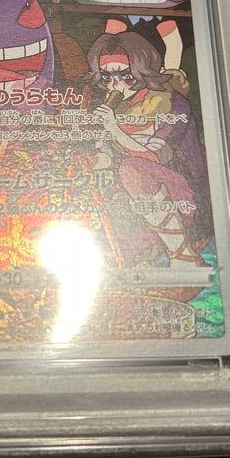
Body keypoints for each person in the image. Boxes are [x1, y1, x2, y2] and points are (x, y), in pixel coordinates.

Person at [87, 32, 213, 282]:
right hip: (139, 202)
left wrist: (114, 129)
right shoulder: (116, 108)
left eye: (124, 75)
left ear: (143, 69)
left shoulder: (172, 104)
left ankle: (185, 257)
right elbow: (108, 155)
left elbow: (153, 156)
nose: (115, 84)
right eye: (107, 76)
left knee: (132, 169)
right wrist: (91, 162)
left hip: (186, 196)